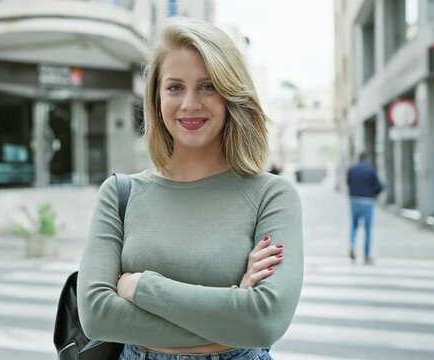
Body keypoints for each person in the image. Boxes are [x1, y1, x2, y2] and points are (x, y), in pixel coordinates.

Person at [77, 17, 303, 360]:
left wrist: (139, 286)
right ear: (156, 97)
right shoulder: (119, 194)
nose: (190, 103)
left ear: (231, 94)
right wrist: (232, 312)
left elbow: (265, 321)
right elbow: (96, 315)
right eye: (175, 87)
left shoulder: (271, 195)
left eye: (208, 86)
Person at [347, 152, 383, 265]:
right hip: (367, 201)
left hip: (354, 200)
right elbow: (379, 186)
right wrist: (374, 193)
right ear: (367, 158)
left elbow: (348, 183)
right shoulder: (371, 170)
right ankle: (366, 255)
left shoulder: (352, 169)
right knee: (367, 229)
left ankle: (352, 245)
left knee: (354, 225)